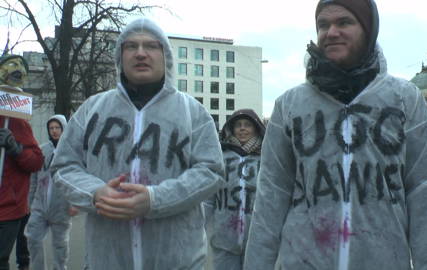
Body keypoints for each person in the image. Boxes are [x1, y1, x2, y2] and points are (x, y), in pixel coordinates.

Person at [244, 1, 427, 269]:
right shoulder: (289, 106)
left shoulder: (405, 100)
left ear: (368, 29)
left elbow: (426, 197)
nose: (331, 32)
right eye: (323, 25)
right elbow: (271, 196)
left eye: (344, 22)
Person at [50, 18, 225, 270]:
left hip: (178, 260)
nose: (141, 53)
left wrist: (156, 199)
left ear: (166, 56)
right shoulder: (92, 109)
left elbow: (211, 171)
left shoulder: (192, 112)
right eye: (131, 46)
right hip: (106, 259)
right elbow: (63, 167)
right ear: (120, 57)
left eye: (151, 46)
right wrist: (95, 193)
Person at [204, 109, 265, 270]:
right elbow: (209, 197)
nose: (242, 128)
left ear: (256, 129)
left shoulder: (266, 158)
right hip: (224, 238)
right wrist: (199, 226)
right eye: (238, 125)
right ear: (231, 129)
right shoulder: (220, 157)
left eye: (247, 125)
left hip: (257, 239)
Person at [0, 54, 44, 270]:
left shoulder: (16, 119)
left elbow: (36, 161)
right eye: (11, 64)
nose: (17, 69)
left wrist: (15, 148)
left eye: (21, 66)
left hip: (7, 207)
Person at [26, 114, 78, 270]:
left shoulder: (71, 151)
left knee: (60, 245)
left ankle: (59, 267)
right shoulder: (42, 150)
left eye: (57, 128)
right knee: (33, 238)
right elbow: (34, 177)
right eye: (51, 128)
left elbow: (76, 180)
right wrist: (29, 202)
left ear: (64, 129)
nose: (54, 131)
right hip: (39, 205)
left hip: (61, 207)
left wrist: (75, 203)